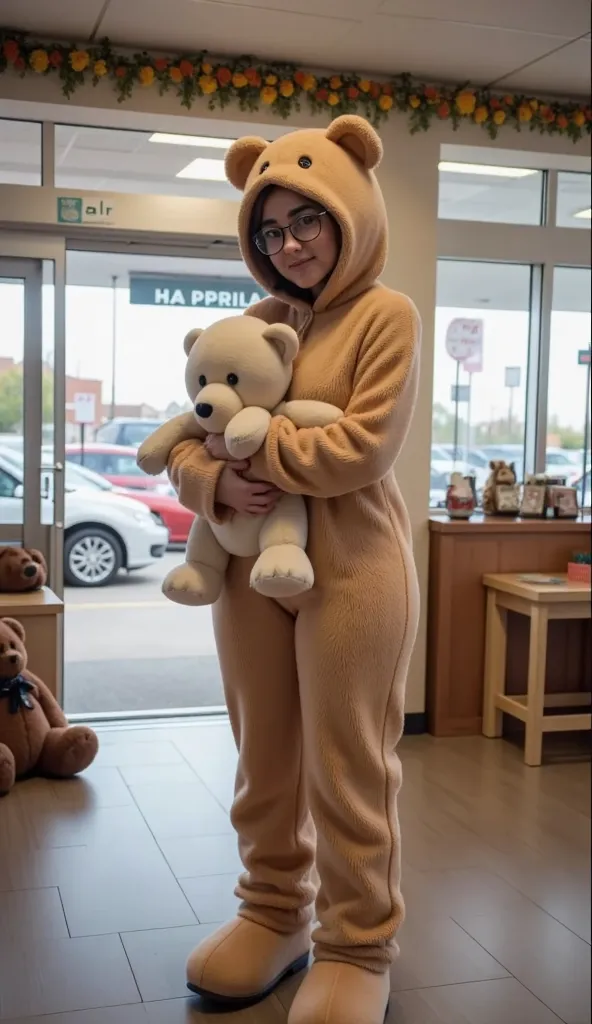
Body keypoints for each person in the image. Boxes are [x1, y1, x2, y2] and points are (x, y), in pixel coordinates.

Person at [168, 114, 421, 1024]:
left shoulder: (388, 316)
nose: (291, 244)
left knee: (349, 762)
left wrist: (251, 453)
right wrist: (211, 483)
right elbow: (189, 440)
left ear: (348, 209)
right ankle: (274, 914)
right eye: (271, 229)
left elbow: (363, 447)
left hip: (354, 566)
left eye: (306, 220)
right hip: (247, 570)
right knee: (264, 758)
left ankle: (358, 945)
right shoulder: (255, 322)